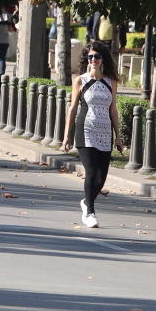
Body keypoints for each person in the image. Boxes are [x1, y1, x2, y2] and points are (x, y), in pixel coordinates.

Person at [61, 43, 123, 228]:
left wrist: (118, 136)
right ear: (86, 60)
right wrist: (67, 136)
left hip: (105, 131)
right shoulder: (80, 80)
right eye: (90, 57)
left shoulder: (111, 81)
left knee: (101, 177)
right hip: (86, 129)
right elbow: (72, 109)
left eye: (97, 56)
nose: (93, 60)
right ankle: (90, 212)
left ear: (103, 59)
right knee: (91, 172)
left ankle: (86, 201)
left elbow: (113, 110)